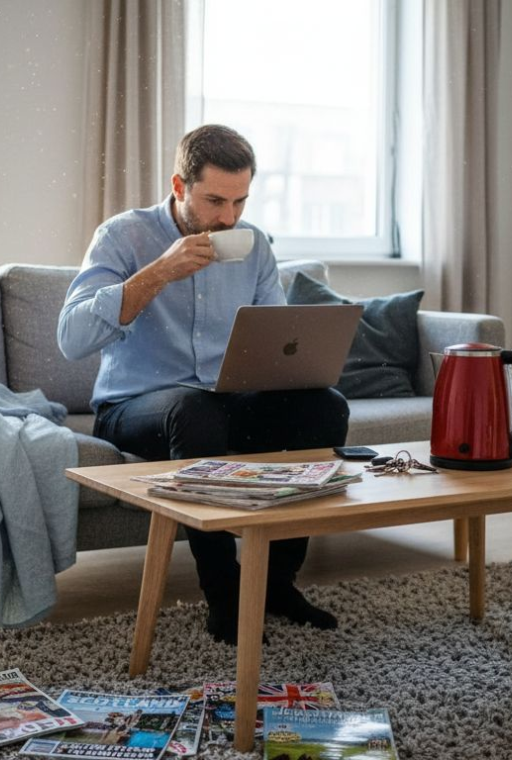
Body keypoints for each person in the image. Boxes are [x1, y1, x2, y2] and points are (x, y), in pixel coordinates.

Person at [58, 124, 349, 644]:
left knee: (324, 407)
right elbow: (71, 337)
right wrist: (158, 273)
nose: (228, 218)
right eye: (215, 200)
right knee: (194, 411)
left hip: (224, 402)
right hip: (135, 407)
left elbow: (277, 338)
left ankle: (277, 583)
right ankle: (225, 593)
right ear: (178, 185)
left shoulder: (253, 246)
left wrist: (297, 366)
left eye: (239, 202)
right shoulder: (122, 236)